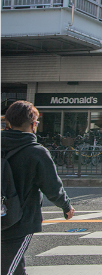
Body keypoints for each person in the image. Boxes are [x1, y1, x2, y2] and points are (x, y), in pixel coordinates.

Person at [0, 100, 75, 275]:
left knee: (15, 266)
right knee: (8, 268)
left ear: (8, 123)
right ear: (34, 125)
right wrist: (66, 206)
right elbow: (52, 187)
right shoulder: (36, 152)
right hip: (20, 221)